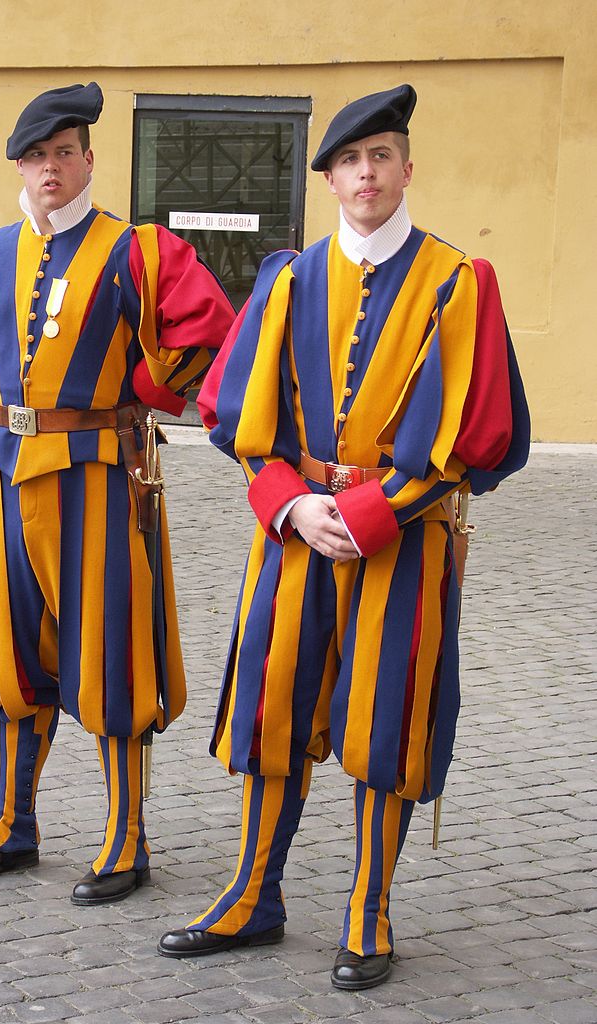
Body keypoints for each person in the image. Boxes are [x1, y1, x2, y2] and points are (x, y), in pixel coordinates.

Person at [158, 84, 530, 989]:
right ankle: (253, 894)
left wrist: (365, 516)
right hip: (292, 535)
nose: (366, 174)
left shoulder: (456, 283)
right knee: (271, 710)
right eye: (349, 162)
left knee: (382, 722)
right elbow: (238, 416)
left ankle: (369, 909)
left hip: (403, 540)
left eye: (382, 157)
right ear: (328, 178)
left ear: (407, 167)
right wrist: (289, 504)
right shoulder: (288, 278)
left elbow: (479, 436)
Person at [0, 83, 235, 902]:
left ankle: (126, 837)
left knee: (110, 651)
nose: (49, 169)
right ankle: (12, 823)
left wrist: (129, 393)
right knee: (9, 649)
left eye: (63, 153)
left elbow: (205, 331)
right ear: (21, 169)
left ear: (88, 160)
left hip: (100, 474)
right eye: (36, 157)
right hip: (4, 471)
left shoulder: (137, 251)